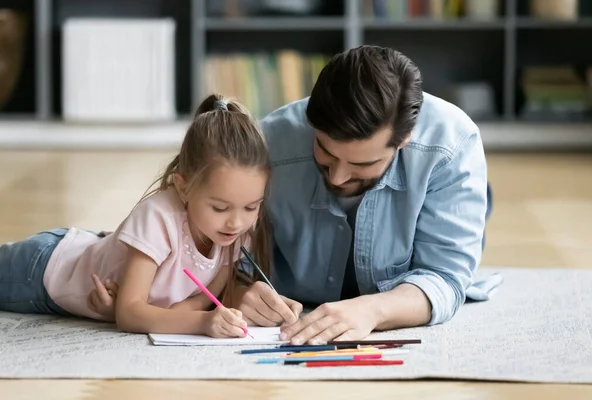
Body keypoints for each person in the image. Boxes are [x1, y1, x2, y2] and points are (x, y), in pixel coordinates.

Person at [230, 45, 501, 345]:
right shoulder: (264, 144)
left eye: (362, 164)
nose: (338, 177)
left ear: (404, 140)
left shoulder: (452, 145)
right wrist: (239, 291)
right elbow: (225, 259)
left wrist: (373, 310)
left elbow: (445, 277)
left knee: (466, 226)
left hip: (436, 194)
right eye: (325, 152)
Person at [0, 93, 296, 338]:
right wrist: (201, 324)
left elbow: (200, 301)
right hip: (44, 269)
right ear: (183, 188)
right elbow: (130, 313)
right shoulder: (158, 216)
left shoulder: (235, 230)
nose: (236, 222)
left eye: (251, 207)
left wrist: (178, 315)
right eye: (219, 208)